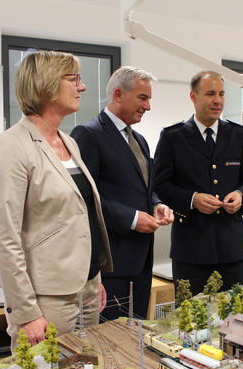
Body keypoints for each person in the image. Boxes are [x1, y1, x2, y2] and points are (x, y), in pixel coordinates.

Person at [0, 51, 113, 351]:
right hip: (47, 297)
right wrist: (26, 312)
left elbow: (79, 218)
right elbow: (5, 239)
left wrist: (92, 277)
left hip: (87, 288)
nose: (82, 87)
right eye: (74, 79)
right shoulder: (10, 147)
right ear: (47, 85)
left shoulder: (68, 142)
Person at [71, 66, 173, 321]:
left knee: (136, 340)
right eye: (142, 98)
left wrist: (156, 204)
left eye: (148, 99)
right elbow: (85, 199)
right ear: (118, 94)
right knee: (110, 344)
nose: (148, 106)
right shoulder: (88, 134)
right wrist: (132, 218)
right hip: (111, 264)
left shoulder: (139, 139)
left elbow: (143, 189)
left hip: (141, 262)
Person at [154, 70, 243, 295]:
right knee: (192, 321)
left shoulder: (238, 135)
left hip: (232, 248)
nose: (217, 101)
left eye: (221, 94)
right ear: (193, 96)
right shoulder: (173, 137)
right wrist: (192, 199)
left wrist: (241, 196)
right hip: (191, 250)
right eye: (210, 94)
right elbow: (160, 185)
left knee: (236, 318)